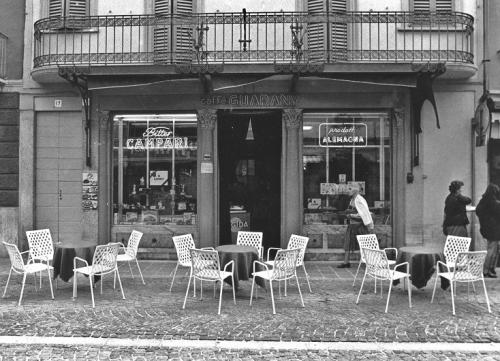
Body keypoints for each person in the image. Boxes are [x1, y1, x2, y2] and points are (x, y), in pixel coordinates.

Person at [337, 184, 374, 268]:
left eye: (350, 189)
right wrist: (348, 213)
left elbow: (364, 214)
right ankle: (346, 262)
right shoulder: (352, 200)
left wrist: (351, 215)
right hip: (352, 226)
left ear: (355, 190)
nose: (348, 190)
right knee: (348, 244)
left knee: (364, 245)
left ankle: (368, 263)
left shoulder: (360, 200)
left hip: (360, 226)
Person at [476, 184, 500, 278]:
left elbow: (478, 211)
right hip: (494, 229)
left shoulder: (483, 201)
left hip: (487, 228)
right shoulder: (493, 202)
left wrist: (485, 220)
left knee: (493, 249)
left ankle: (489, 269)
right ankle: (487, 270)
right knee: (493, 250)